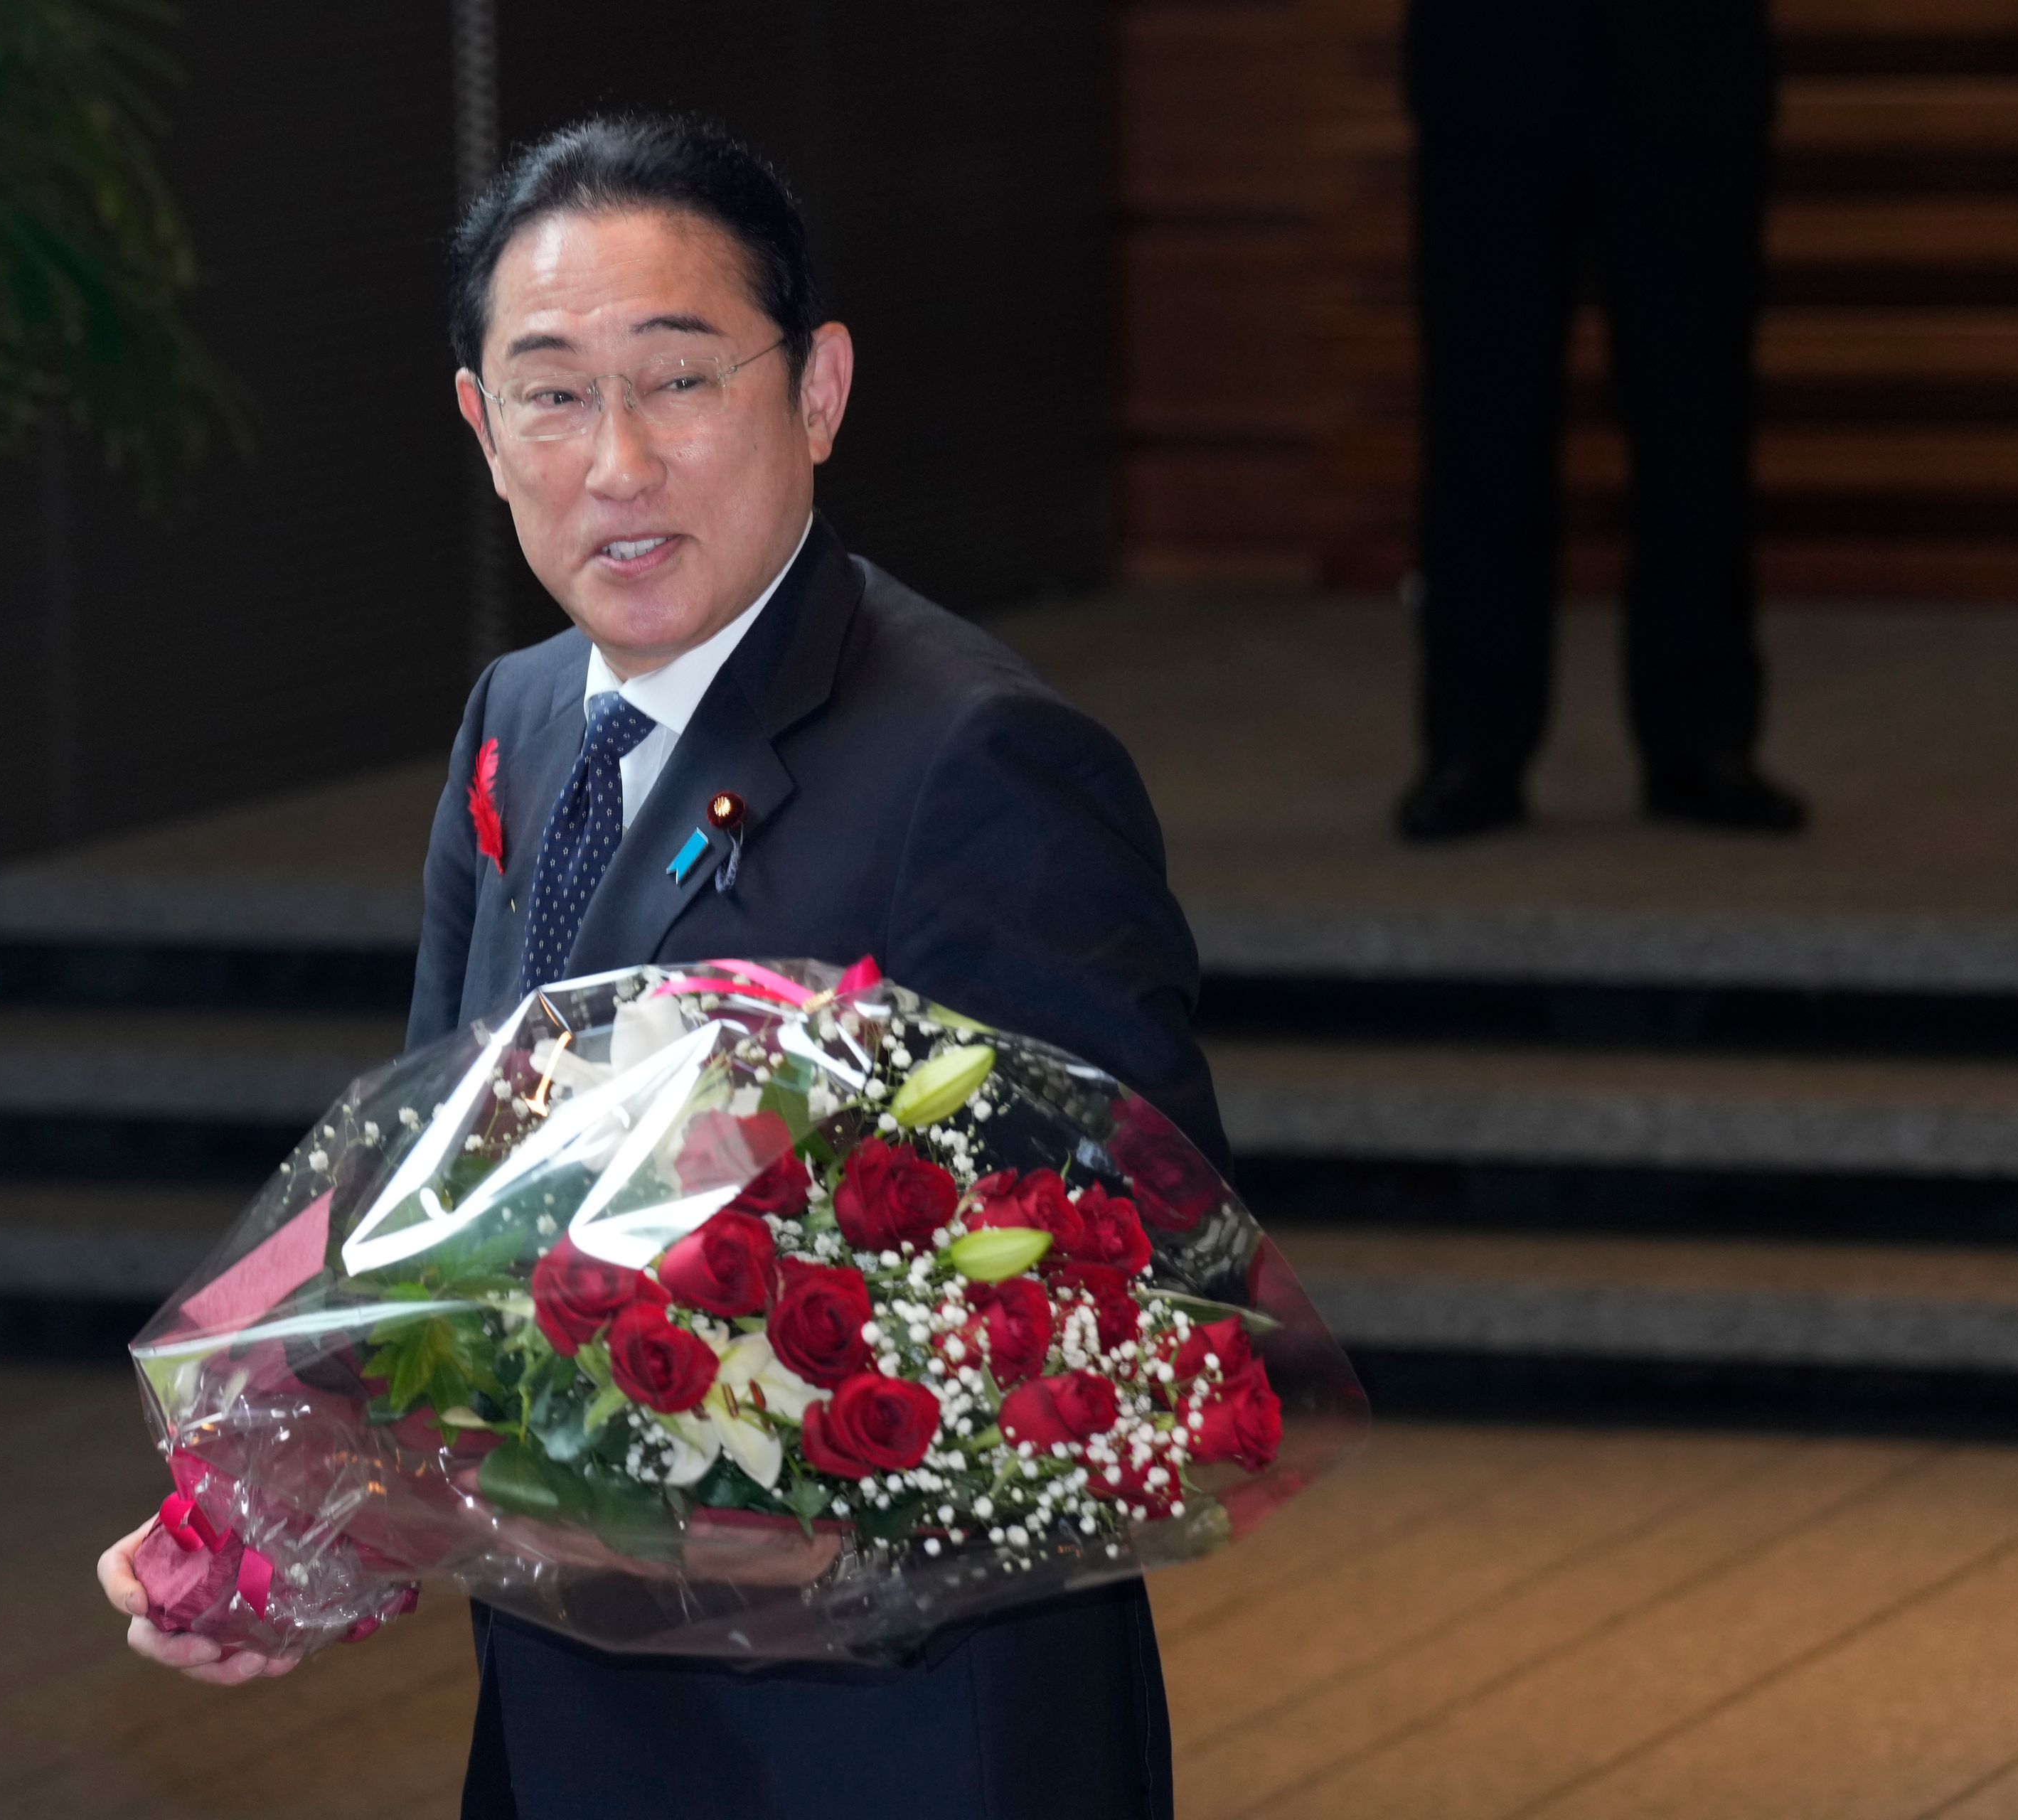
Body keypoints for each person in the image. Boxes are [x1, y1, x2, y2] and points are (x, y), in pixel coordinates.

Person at [99, 113, 1224, 1820]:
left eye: (680, 378)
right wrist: (284, 1515)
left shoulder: (975, 762)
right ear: (481, 428)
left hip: (895, 1740)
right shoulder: (522, 717)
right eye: (551, 392)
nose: (615, 457)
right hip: (572, 1721)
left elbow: (1140, 1302)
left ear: (819, 389)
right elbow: (427, 1206)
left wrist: (754, 1424)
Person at [1395, 0, 1808, 840]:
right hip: (1489, 49)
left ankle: (1702, 736)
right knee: (1483, 411)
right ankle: (1474, 741)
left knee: (1697, 411)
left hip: (1684, 50)